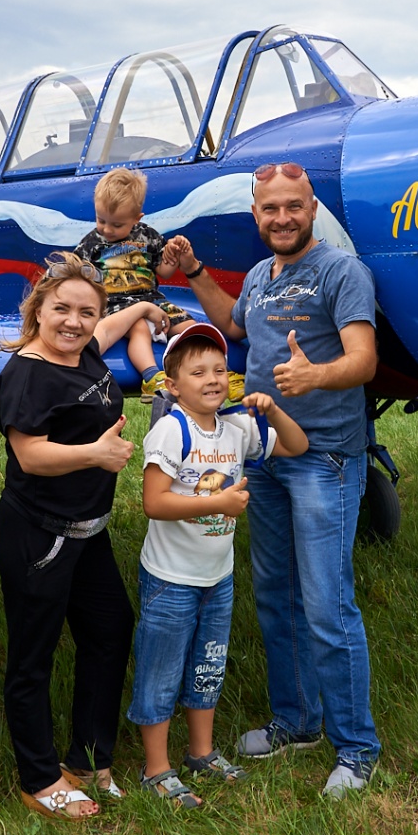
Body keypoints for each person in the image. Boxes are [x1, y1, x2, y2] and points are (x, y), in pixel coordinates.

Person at [165, 162, 381, 798]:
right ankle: (296, 722)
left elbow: (363, 359)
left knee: (326, 603)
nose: (281, 218)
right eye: (269, 209)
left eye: (293, 206)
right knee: (276, 594)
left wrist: (315, 377)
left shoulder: (342, 272)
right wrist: (198, 275)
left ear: (311, 209)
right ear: (255, 215)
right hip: (264, 456)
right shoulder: (262, 275)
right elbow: (236, 325)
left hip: (325, 458)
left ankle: (357, 747)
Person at [0, 251, 169, 820]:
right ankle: (39, 778)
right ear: (37, 309)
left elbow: (111, 327)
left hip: (87, 531)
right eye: (61, 309)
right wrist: (96, 454)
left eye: (85, 313)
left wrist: (139, 305)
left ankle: (88, 760)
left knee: (110, 627)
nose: (74, 322)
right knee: (32, 658)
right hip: (38, 534)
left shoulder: (85, 347)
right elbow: (32, 455)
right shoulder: (27, 375)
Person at [130, 322, 308, 808]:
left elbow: (296, 447)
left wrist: (275, 411)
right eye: (196, 372)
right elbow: (153, 502)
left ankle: (201, 752)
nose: (211, 379)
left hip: (217, 577)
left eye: (219, 369)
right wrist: (219, 506)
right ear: (173, 386)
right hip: (171, 579)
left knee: (208, 666)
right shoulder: (172, 429)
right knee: (161, 669)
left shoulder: (237, 427)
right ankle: (156, 767)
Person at [76, 168, 193, 401]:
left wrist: (174, 255)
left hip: (152, 299)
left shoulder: (147, 236)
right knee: (138, 326)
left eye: (117, 225)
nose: (107, 230)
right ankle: (151, 376)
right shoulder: (92, 243)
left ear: (136, 218)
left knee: (188, 326)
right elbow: (79, 279)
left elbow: (164, 272)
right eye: (101, 221)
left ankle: (217, 369)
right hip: (116, 305)